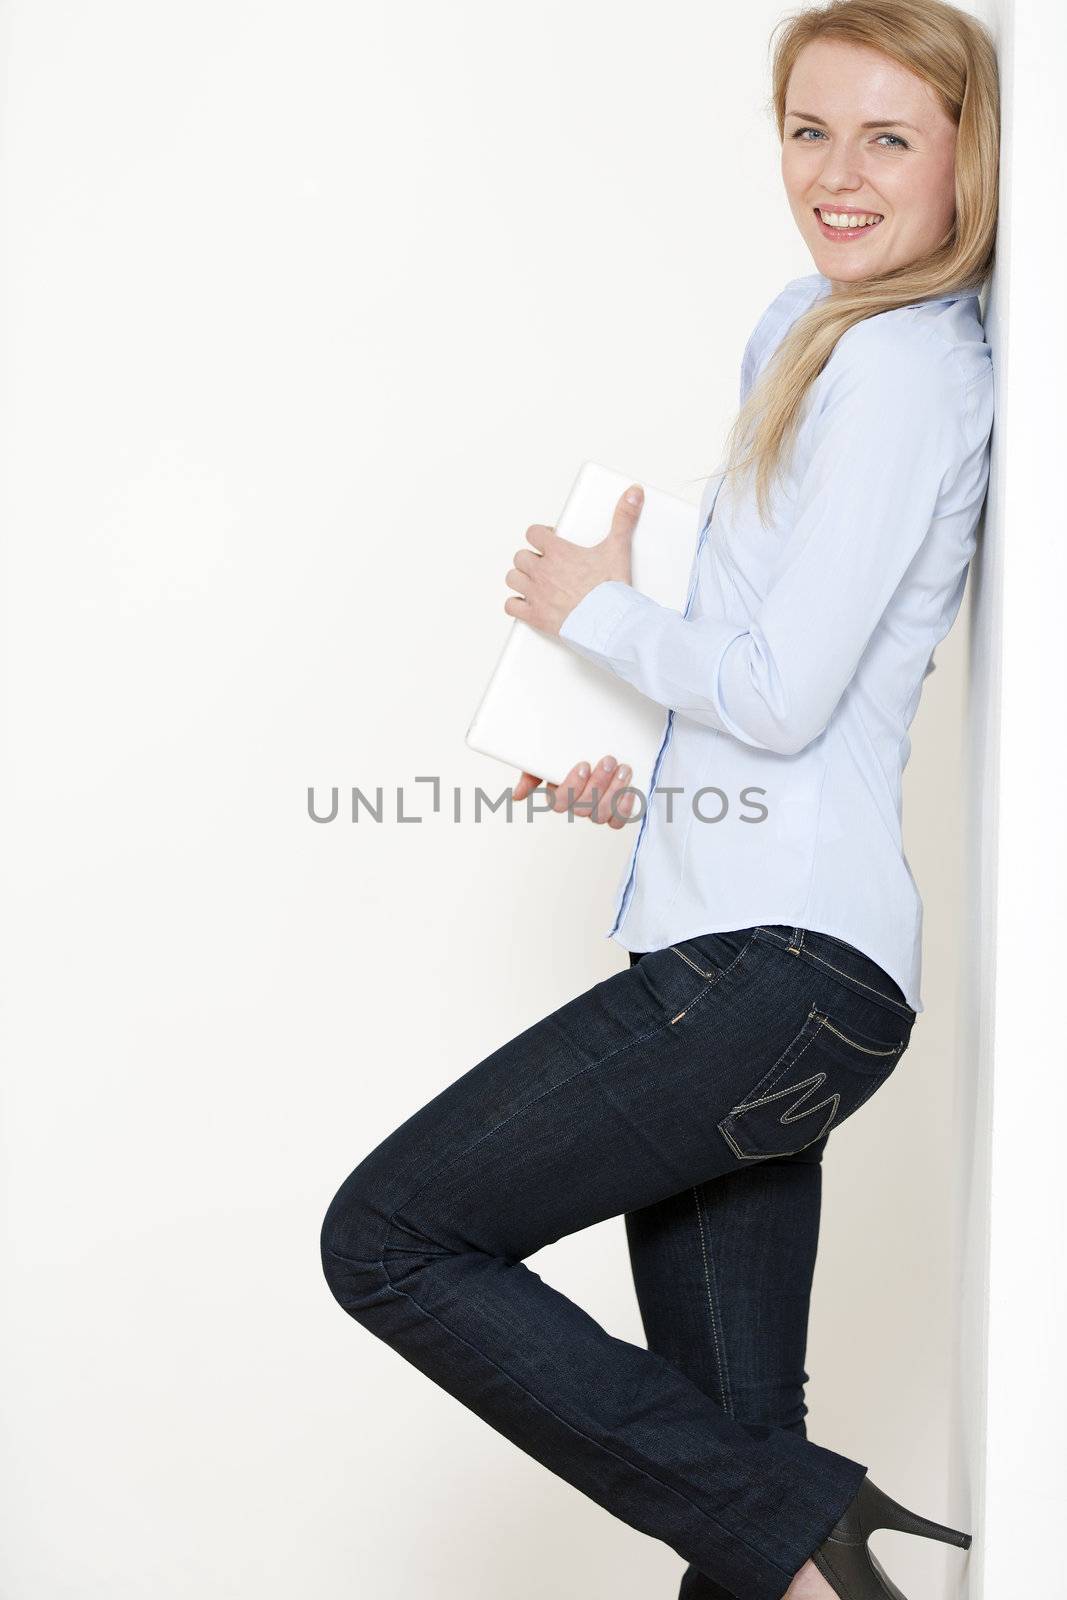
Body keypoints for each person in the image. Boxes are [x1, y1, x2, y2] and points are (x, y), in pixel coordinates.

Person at [320, 1, 998, 1595]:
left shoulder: (904, 365)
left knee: (390, 1236)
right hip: (764, 957)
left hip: (776, 975)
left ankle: (804, 1517)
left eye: (888, 137)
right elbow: (779, 683)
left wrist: (592, 610)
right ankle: (802, 1529)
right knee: (731, 1444)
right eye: (808, 130)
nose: (836, 174)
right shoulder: (816, 332)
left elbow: (779, 689)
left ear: (971, 155)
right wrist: (643, 766)